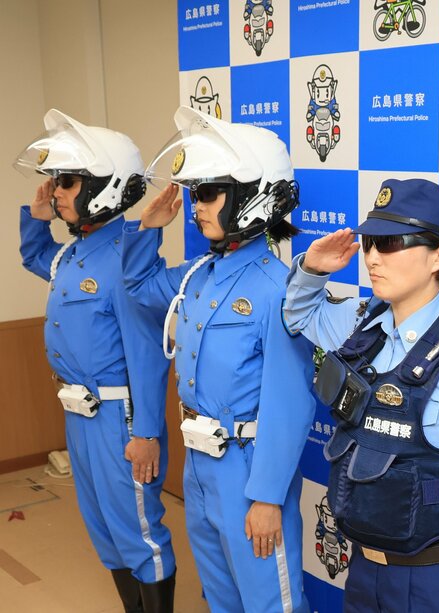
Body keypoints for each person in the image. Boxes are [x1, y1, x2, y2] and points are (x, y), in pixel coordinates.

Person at [282, 179, 439, 612]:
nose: (372, 257)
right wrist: (313, 270)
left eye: (391, 242)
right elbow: (297, 314)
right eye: (369, 243)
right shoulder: (361, 325)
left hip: (436, 579)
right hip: (363, 569)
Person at [121, 106, 315, 612]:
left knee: (270, 601)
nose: (196, 206)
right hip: (201, 466)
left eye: (209, 193)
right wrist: (148, 227)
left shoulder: (279, 289)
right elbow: (139, 290)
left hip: (249, 472)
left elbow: (290, 406)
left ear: (253, 195)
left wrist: (269, 497)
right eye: (194, 194)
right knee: (221, 598)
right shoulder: (199, 276)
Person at [16, 109, 175, 612]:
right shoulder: (73, 254)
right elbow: (36, 259)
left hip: (119, 419)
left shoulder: (128, 257)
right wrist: (37, 219)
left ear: (105, 186)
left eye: (65, 181)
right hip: (79, 415)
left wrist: (146, 432)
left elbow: (148, 357)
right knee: (103, 528)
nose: (56, 191)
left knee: (138, 531)